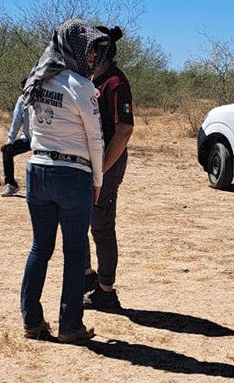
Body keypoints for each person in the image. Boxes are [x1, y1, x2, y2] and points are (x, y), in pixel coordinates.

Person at [19, 20, 109, 343]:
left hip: (38, 170)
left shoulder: (36, 79)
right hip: (73, 176)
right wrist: (97, 179)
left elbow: (29, 128)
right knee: (74, 253)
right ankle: (70, 326)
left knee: (40, 247)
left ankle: (31, 320)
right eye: (89, 50)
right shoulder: (80, 86)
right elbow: (95, 139)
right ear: (73, 47)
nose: (92, 57)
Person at [83, 26, 135, 311]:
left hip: (107, 164)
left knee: (101, 227)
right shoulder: (94, 81)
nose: (86, 55)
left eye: (90, 50)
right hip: (91, 162)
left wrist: (100, 170)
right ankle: (88, 276)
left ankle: (106, 290)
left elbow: (124, 130)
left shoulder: (115, 83)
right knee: (81, 221)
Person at [1, 78, 32, 197]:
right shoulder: (22, 100)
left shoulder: (43, 99)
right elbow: (16, 121)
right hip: (27, 139)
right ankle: (11, 184)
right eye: (24, 88)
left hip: (43, 140)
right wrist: (10, 140)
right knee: (7, 151)